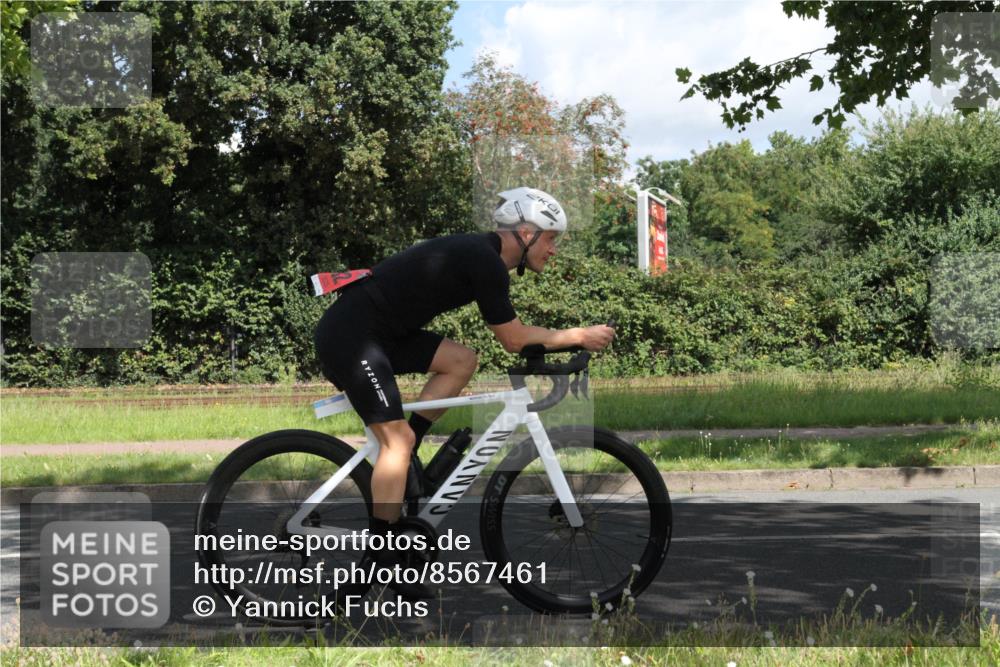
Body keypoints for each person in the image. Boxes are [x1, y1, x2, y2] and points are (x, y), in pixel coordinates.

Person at [313, 187, 615, 598]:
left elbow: (515, 337)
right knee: (394, 440)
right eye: (551, 238)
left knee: (461, 361)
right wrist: (578, 335)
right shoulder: (484, 261)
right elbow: (512, 338)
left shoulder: (484, 258)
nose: (553, 249)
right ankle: (385, 559)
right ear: (525, 232)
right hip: (351, 336)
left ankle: (410, 454)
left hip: (381, 334)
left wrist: (560, 344)